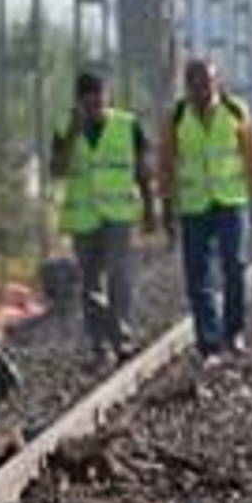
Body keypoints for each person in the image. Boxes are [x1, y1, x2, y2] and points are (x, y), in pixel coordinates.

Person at [158, 57, 252, 364]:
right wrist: (167, 206)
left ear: (216, 82)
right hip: (194, 205)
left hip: (231, 200)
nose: (200, 88)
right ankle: (208, 343)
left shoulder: (235, 111)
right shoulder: (177, 116)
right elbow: (165, 163)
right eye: (193, 83)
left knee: (235, 264)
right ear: (186, 86)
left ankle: (233, 332)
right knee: (198, 276)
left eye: (205, 82)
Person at [50, 68, 156, 364]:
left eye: (100, 100)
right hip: (84, 216)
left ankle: (122, 338)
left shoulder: (129, 124)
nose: (96, 107)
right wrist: (73, 131)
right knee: (90, 284)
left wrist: (149, 208)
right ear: (78, 102)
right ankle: (100, 344)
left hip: (119, 213)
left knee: (119, 275)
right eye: (89, 103)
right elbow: (57, 169)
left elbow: (143, 171)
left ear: (109, 97)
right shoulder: (65, 126)